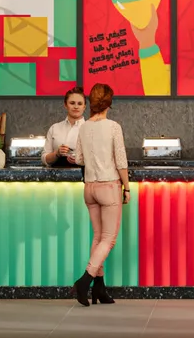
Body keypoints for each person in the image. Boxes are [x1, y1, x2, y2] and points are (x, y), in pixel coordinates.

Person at [71, 83, 129, 307]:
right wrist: (127, 187)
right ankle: (85, 280)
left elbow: (79, 159)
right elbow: (121, 161)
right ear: (109, 103)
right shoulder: (113, 127)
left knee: (98, 237)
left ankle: (99, 288)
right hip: (108, 186)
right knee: (108, 239)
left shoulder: (84, 127)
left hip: (90, 188)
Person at [43, 87, 86, 166]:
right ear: (65, 105)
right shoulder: (54, 128)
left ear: (84, 107)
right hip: (57, 173)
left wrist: (81, 160)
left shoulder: (90, 129)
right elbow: (45, 159)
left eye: (80, 104)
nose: (76, 107)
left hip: (83, 173)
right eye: (72, 103)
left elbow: (98, 160)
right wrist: (57, 153)